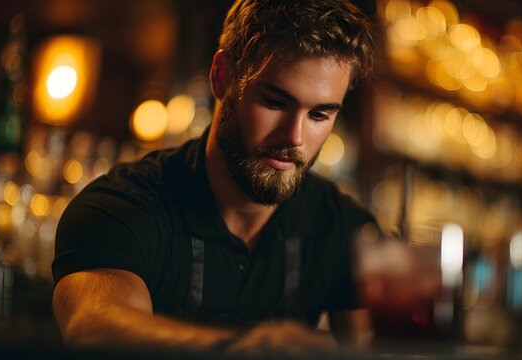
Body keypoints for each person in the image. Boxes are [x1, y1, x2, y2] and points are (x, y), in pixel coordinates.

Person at [52, 0, 376, 355]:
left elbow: (373, 349)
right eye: (274, 102)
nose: (294, 137)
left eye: (319, 115)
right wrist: (250, 349)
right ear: (222, 77)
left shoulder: (341, 226)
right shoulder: (122, 209)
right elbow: (92, 329)